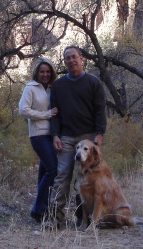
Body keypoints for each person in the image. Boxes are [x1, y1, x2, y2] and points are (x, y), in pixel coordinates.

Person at [49, 45, 107, 225]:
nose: (71, 60)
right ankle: (55, 219)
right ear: (64, 62)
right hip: (66, 137)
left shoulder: (93, 82)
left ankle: (88, 218)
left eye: (74, 57)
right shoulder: (58, 85)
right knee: (62, 177)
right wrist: (55, 135)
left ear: (81, 58)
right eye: (68, 58)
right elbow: (54, 114)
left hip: (88, 138)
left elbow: (100, 111)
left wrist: (99, 135)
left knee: (90, 178)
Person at [19, 57, 58, 223]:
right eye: (42, 71)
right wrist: (45, 115)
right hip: (38, 135)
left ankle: (43, 211)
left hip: (50, 135)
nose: (45, 74)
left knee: (44, 173)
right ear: (37, 72)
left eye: (48, 72)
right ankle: (38, 210)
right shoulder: (31, 88)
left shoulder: (49, 88)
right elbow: (23, 110)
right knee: (53, 170)